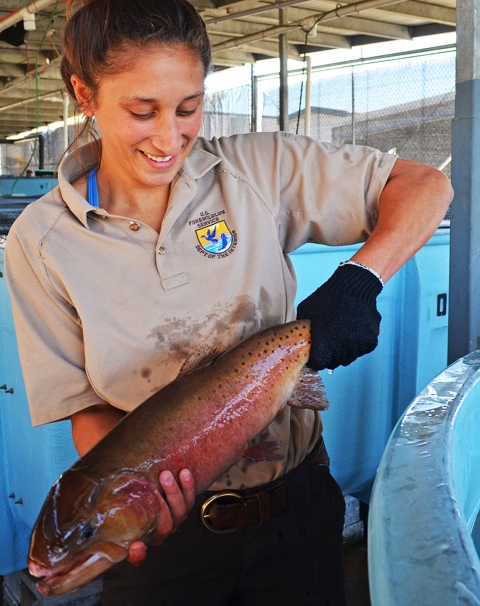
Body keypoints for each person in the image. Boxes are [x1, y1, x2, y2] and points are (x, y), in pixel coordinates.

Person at [4, 0, 453, 604]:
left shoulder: (255, 169)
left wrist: (360, 279)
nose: (170, 138)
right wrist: (147, 496)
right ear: (85, 94)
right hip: (168, 549)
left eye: (188, 108)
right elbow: (84, 411)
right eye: (143, 111)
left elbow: (426, 185)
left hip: (296, 509)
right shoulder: (41, 240)